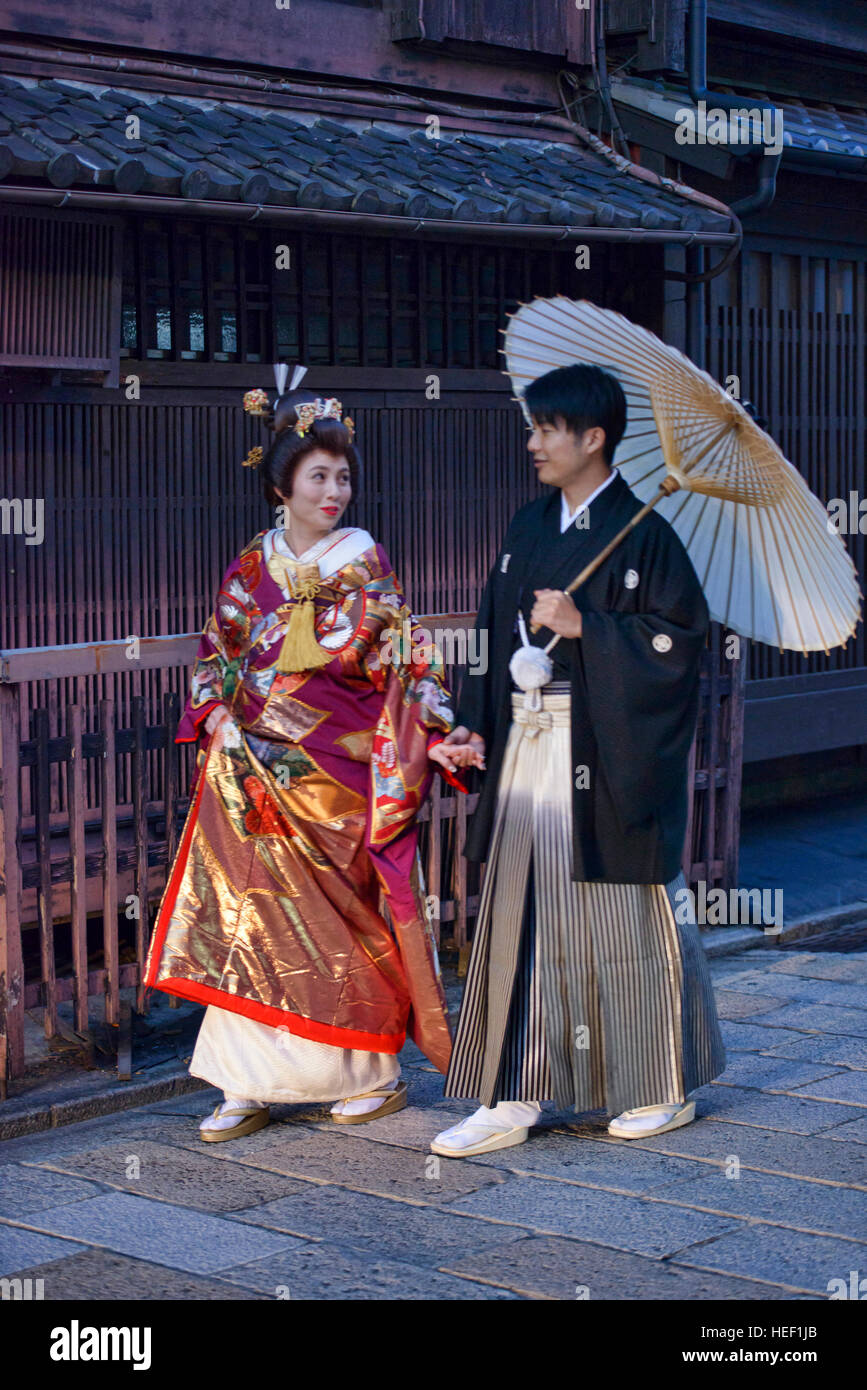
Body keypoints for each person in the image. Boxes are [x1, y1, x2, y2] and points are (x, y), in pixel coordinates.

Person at [144, 377, 464, 1141]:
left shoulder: (366, 567)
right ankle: (243, 1079)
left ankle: (364, 1075)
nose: (334, 490)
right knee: (246, 912)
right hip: (251, 770)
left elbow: (410, 659)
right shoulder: (252, 567)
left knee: (336, 925)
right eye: (318, 475)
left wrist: (435, 719)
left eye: (343, 476)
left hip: (339, 775)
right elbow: (215, 652)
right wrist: (216, 710)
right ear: (281, 482)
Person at [430, 363, 726, 1158]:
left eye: (544, 429)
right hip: (528, 741)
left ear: (592, 438)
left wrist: (588, 626)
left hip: (605, 752)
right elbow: (497, 637)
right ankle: (512, 1090)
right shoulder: (528, 526)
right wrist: (471, 722)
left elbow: (678, 648)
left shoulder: (647, 534)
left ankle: (657, 1086)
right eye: (532, 429)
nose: (531, 443)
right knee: (520, 910)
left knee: (618, 914)